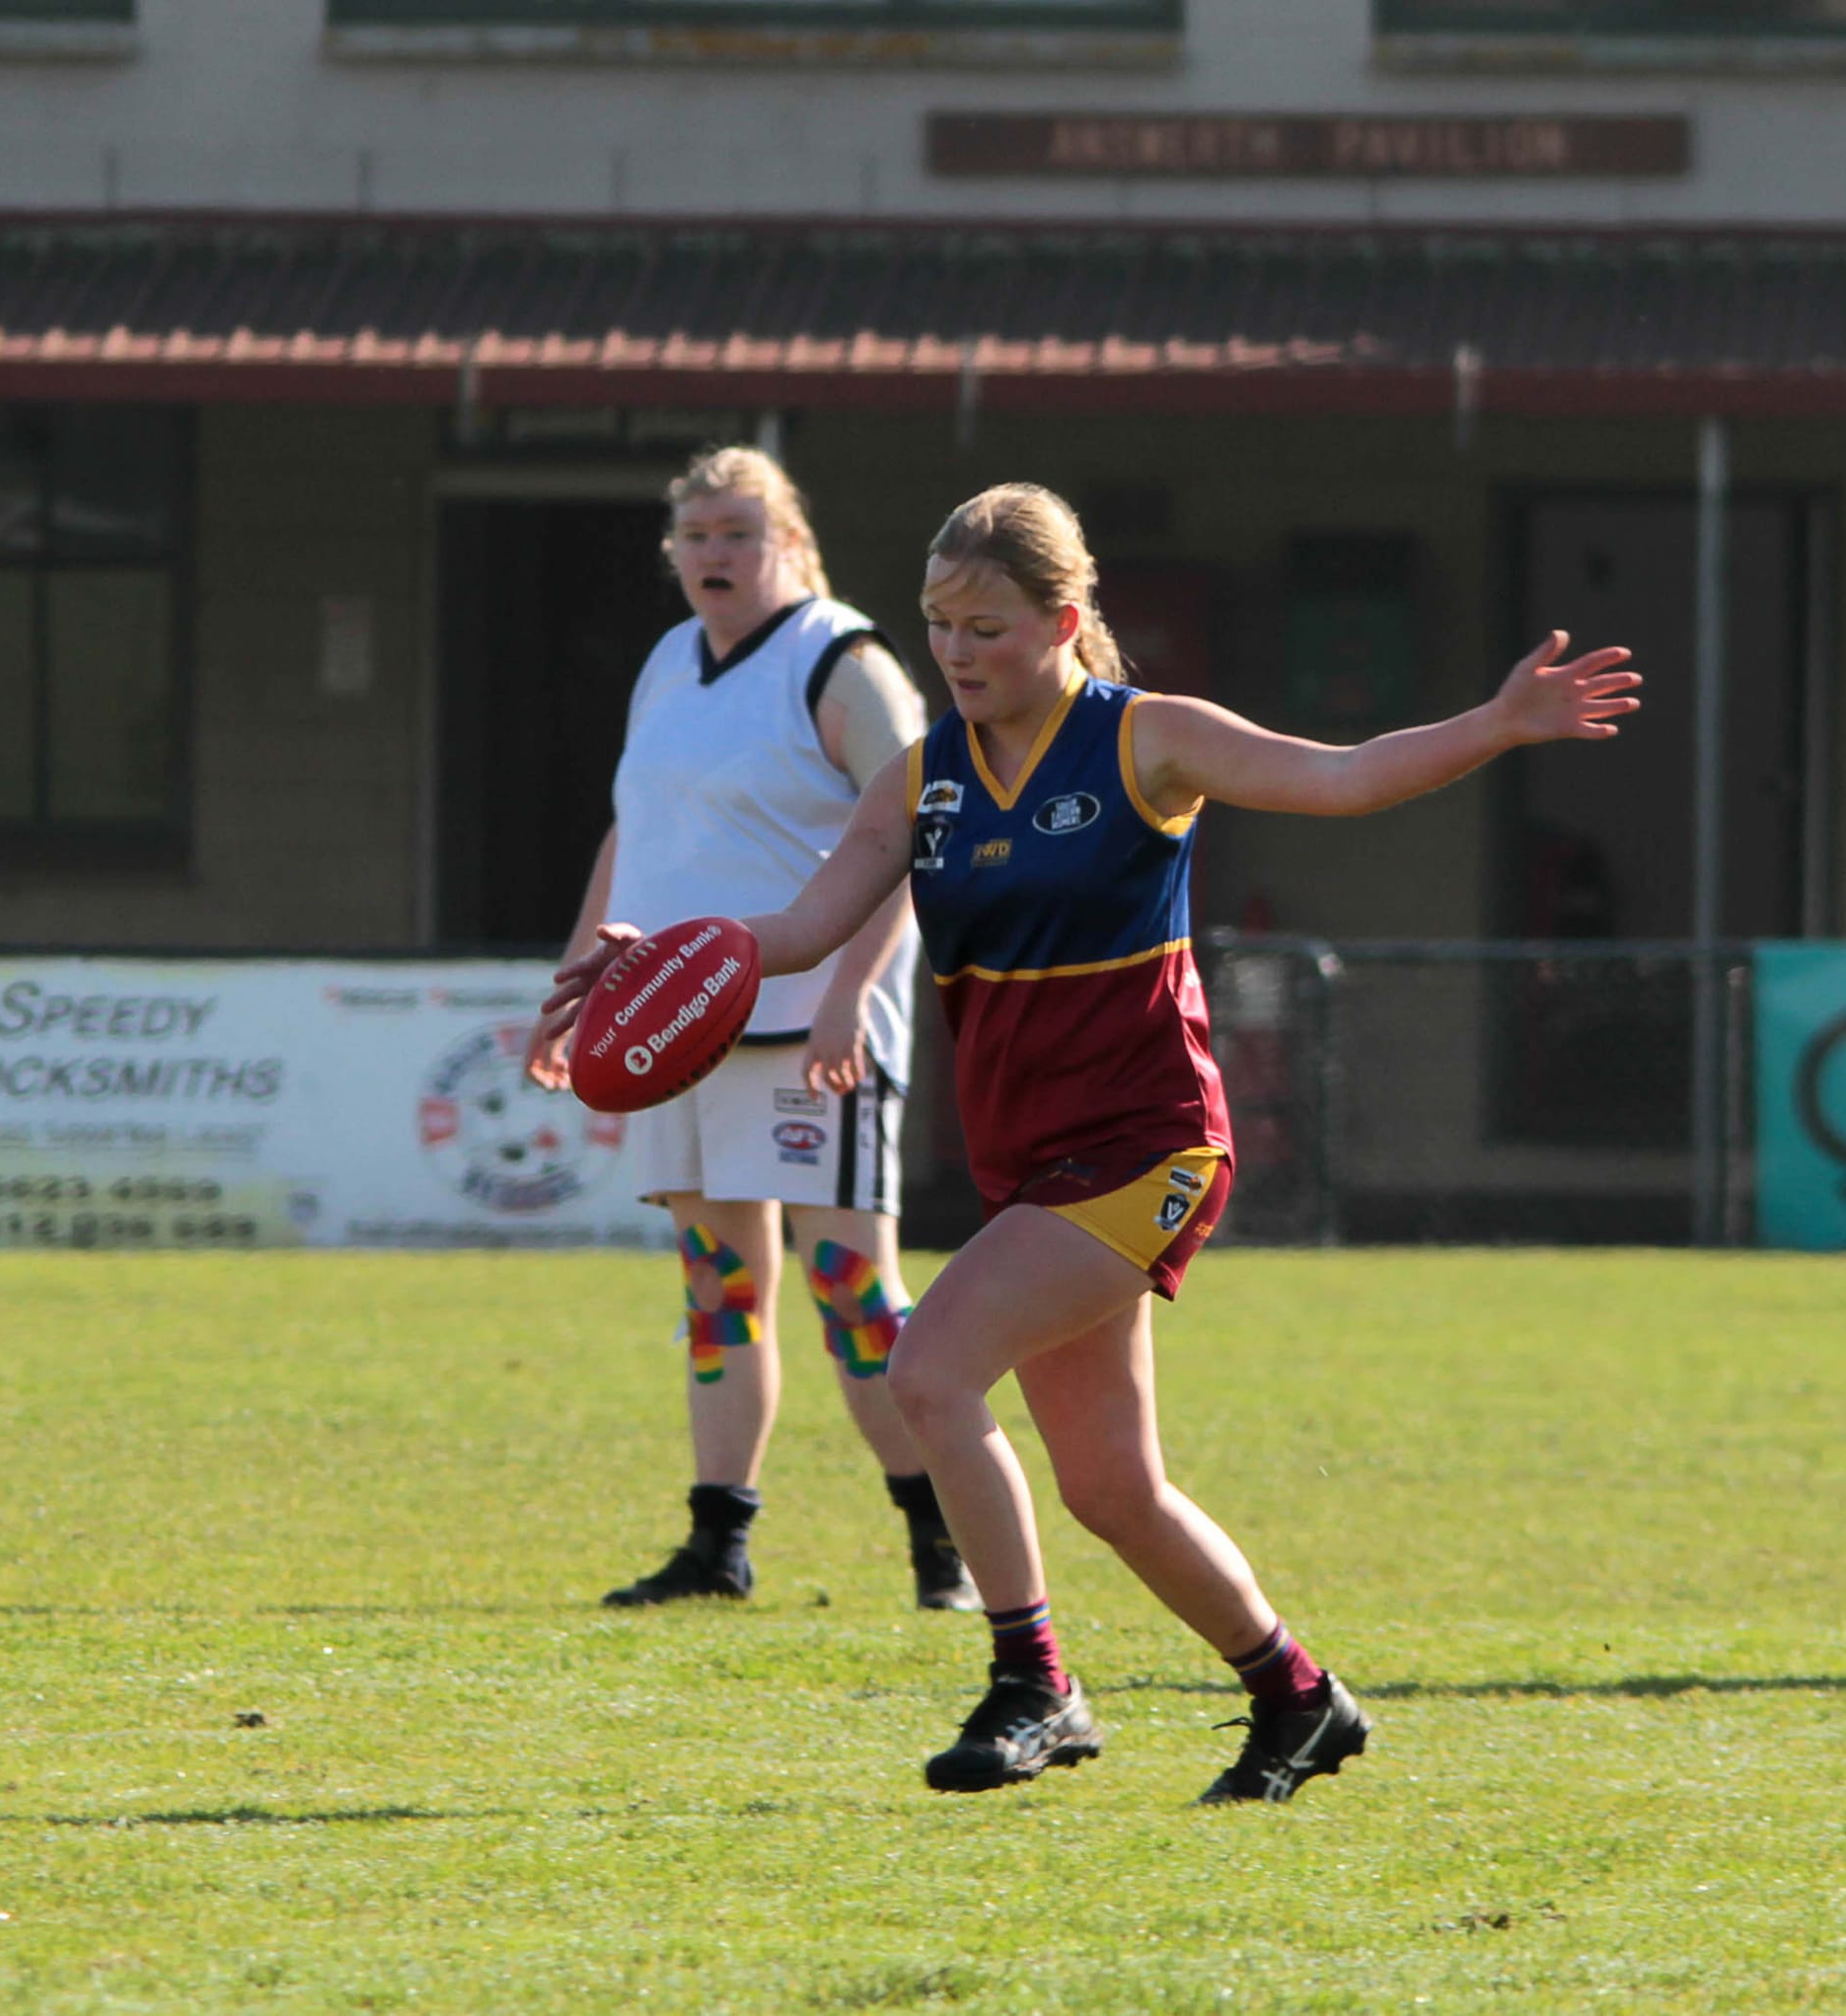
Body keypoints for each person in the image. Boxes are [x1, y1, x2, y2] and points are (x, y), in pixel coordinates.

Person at [538, 483, 1639, 1802]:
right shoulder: (924, 772)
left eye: (985, 625)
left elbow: (1340, 780)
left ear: (1065, 620)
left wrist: (1501, 723)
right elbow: (799, 924)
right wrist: (645, 953)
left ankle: (1035, 1679)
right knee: (1114, 1486)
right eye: (941, 622)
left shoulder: (1145, 739)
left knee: (929, 1368)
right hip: (1031, 1162)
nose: (955, 649)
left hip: (1148, 1144)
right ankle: (1298, 1694)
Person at [526, 445, 979, 1615]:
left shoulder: (844, 662)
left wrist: (848, 996)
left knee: (849, 1290)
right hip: (673, 1024)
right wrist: (579, 989)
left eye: (736, 531)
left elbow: (924, 839)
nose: (712, 554)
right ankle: (716, 1545)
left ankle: (945, 1543)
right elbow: (633, 836)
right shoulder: (668, 664)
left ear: (789, 537)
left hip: (809, 1030)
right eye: (694, 535)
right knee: (717, 1287)